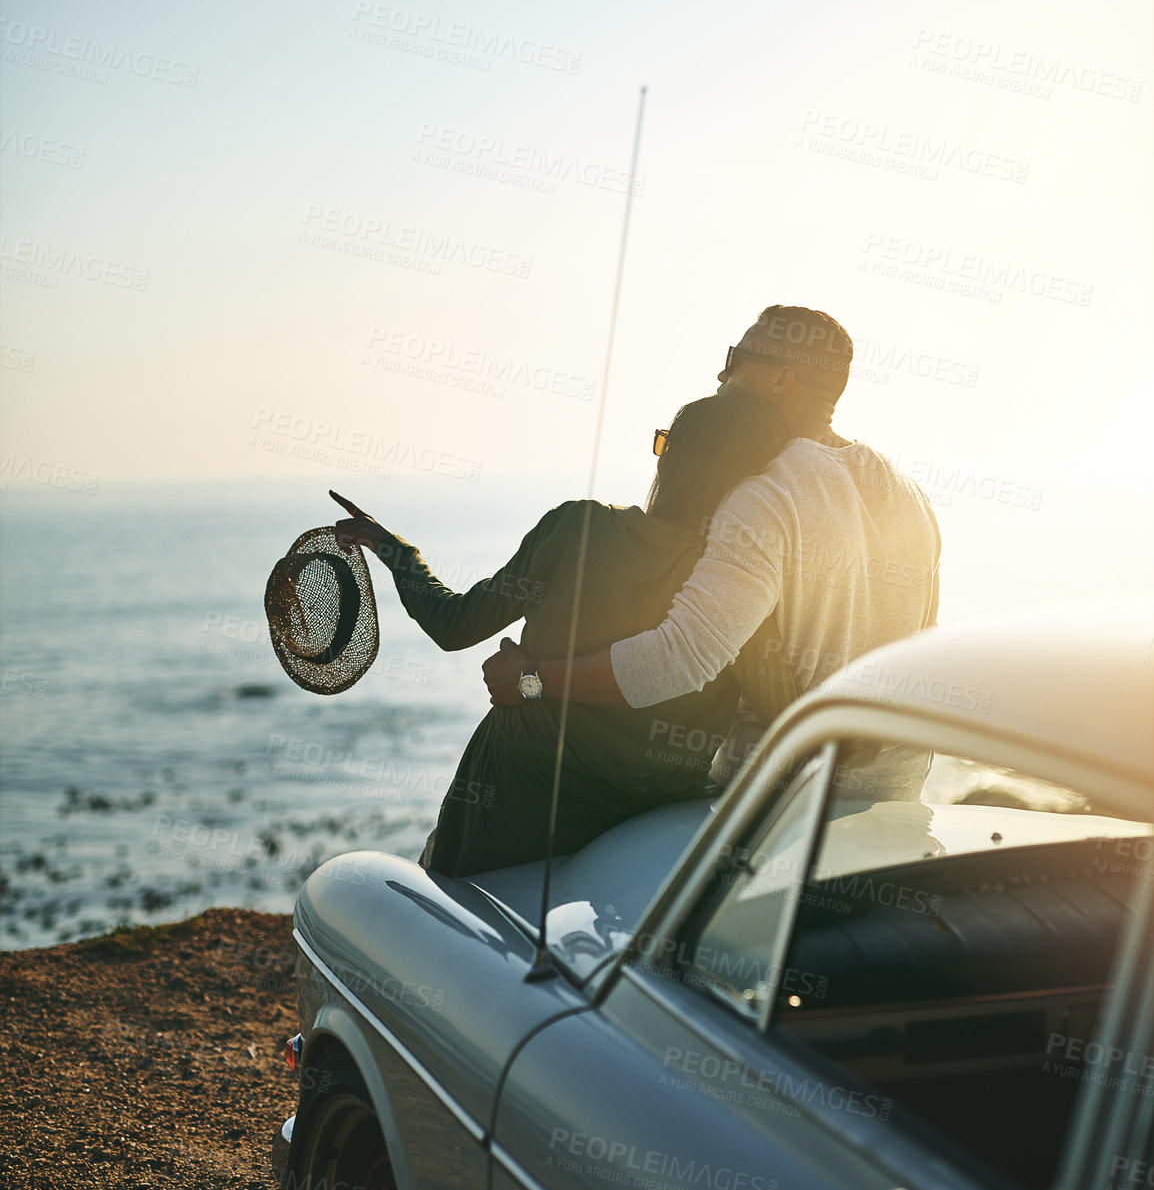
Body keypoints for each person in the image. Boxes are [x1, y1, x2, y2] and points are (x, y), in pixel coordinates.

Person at [330, 385, 790, 876]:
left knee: (453, 918)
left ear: (672, 458)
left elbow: (454, 625)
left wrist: (395, 549)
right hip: (650, 816)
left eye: (665, 442)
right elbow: (778, 703)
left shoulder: (577, 528)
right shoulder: (744, 581)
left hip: (517, 797)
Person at [482, 304, 941, 783]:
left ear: (782, 379)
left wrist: (530, 679)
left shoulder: (764, 494)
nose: (721, 375)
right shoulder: (909, 494)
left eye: (736, 358)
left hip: (769, 808)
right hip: (891, 796)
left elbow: (679, 659)